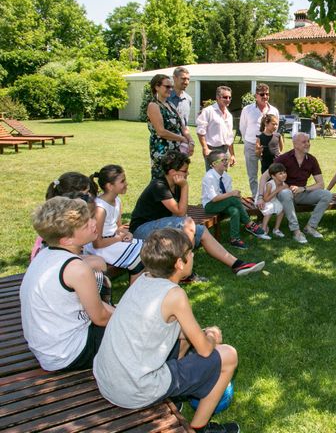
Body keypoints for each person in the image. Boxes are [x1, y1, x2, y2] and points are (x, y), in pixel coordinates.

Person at [93, 228, 240, 433]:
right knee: (229, 356)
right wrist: (212, 336)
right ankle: (199, 428)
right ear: (179, 263)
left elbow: (179, 333)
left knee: (188, 336)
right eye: (190, 253)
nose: (193, 255)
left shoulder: (143, 278)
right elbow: (206, 351)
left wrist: (201, 334)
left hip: (108, 379)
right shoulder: (174, 295)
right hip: (134, 390)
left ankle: (170, 392)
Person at [130, 151, 265, 278]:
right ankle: (185, 272)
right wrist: (185, 187)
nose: (187, 174)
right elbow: (181, 213)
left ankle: (237, 264)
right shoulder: (159, 186)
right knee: (187, 223)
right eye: (184, 171)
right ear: (172, 172)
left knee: (201, 230)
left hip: (161, 225)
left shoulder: (175, 185)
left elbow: (178, 214)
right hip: (142, 230)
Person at [20, 196, 114, 371]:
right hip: (68, 354)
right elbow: (101, 317)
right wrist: (133, 318)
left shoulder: (46, 254)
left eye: (91, 218)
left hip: (48, 348)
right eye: (86, 225)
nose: (94, 223)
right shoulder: (76, 269)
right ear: (67, 241)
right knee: (140, 335)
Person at [257, 132, 332, 244]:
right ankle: (296, 231)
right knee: (286, 193)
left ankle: (310, 227)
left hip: (302, 193)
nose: (307, 144)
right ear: (295, 144)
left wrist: (304, 188)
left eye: (308, 141)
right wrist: (260, 196)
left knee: (327, 194)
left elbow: (321, 184)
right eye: (304, 142)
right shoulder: (284, 158)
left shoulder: (311, 160)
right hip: (284, 193)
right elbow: (264, 176)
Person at [86, 165, 144, 284]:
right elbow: (97, 243)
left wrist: (127, 234)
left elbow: (119, 228)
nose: (126, 184)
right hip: (101, 247)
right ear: (110, 186)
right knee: (139, 255)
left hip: (112, 241)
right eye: (122, 181)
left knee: (147, 248)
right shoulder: (100, 208)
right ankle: (133, 290)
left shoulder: (117, 200)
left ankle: (141, 283)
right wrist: (119, 238)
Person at [202, 151, 269, 248]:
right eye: (223, 160)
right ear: (214, 164)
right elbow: (214, 199)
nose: (226, 162)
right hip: (210, 205)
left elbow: (228, 196)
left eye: (227, 159)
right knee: (233, 198)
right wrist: (233, 194)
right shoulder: (209, 177)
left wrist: (235, 196)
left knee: (234, 210)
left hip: (223, 203)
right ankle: (249, 223)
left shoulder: (226, 176)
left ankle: (234, 239)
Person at [147, 73, 195, 179]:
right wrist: (182, 139)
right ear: (157, 87)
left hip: (176, 152)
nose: (170, 89)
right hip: (162, 152)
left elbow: (182, 127)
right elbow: (161, 131)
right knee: (163, 182)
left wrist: (191, 141)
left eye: (171, 87)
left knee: (178, 181)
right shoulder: (153, 106)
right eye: (167, 87)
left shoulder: (171, 105)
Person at [239, 83, 280, 196]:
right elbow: (242, 127)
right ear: (256, 95)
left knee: (270, 172)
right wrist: (248, 141)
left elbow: (276, 128)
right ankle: (256, 197)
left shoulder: (274, 111)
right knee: (252, 175)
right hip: (251, 145)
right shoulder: (247, 110)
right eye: (262, 94)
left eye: (267, 94)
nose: (265, 96)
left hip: (268, 146)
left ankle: (269, 195)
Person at [196, 86, 236, 171]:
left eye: (230, 97)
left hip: (225, 150)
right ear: (217, 97)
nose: (228, 99)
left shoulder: (229, 115)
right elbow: (200, 131)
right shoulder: (208, 111)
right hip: (212, 149)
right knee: (212, 176)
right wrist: (205, 148)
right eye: (225, 97)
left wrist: (232, 154)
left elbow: (230, 136)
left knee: (223, 176)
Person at [255, 162, 287, 238]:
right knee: (269, 209)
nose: (284, 175)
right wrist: (277, 190)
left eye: (284, 172)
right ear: (273, 176)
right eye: (280, 173)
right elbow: (265, 199)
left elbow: (286, 187)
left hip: (273, 199)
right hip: (262, 200)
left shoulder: (282, 182)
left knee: (282, 209)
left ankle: (276, 229)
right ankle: (263, 231)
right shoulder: (270, 184)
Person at [168, 66, 194, 133]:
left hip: (182, 140)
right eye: (183, 78)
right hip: (165, 140)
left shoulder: (188, 99)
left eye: (188, 79)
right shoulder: (165, 97)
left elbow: (185, 124)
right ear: (174, 78)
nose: (186, 82)